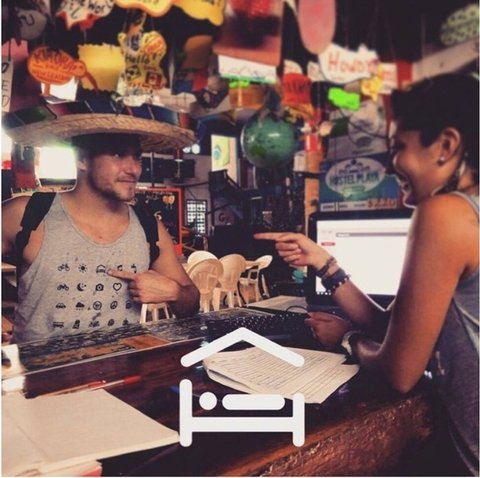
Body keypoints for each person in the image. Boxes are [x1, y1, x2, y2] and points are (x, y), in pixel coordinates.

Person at [256, 73, 479, 475]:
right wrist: (325, 263)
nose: (392, 164)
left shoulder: (446, 215)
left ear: (446, 145)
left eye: (399, 148)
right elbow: (392, 326)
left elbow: (400, 372)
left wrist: (346, 339)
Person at [2, 132, 200, 343]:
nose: (134, 169)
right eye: (118, 154)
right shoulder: (28, 213)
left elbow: (192, 302)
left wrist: (173, 292)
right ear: (82, 159)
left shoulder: (148, 226)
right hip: (41, 364)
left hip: (121, 362)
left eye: (137, 157)